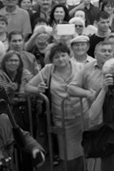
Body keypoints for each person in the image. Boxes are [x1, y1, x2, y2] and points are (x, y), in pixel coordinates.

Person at [25, 42, 85, 171]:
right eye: (56, 57)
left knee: (85, 149)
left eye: (63, 55)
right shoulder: (48, 69)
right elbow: (28, 87)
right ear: (52, 60)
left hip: (83, 115)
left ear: (69, 56)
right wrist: (38, 89)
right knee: (67, 154)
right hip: (62, 118)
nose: (61, 59)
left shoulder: (81, 67)